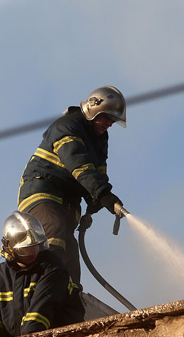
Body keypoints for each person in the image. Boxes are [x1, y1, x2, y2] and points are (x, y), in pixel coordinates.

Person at [17, 85, 127, 284]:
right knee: (54, 235)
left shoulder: (100, 138)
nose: (110, 124)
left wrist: (94, 199)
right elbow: (79, 165)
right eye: (108, 117)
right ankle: (41, 289)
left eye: (113, 120)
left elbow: (97, 173)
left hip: (67, 203)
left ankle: (70, 301)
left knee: (71, 258)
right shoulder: (67, 125)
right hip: (42, 193)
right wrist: (104, 194)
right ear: (94, 108)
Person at [0, 211, 85, 337]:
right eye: (26, 250)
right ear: (10, 248)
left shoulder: (52, 268)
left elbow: (39, 315)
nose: (33, 253)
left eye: (35, 247)